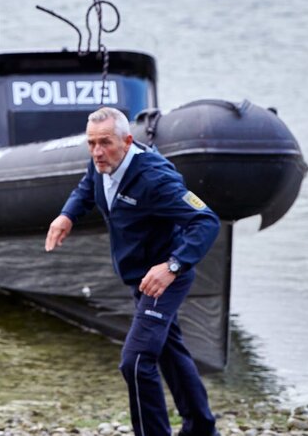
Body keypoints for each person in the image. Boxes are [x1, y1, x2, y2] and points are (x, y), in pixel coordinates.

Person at [45, 107, 220, 436]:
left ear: (126, 141)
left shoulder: (156, 179)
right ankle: (201, 427)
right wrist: (67, 215)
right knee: (170, 351)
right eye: (91, 143)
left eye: (105, 143)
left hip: (165, 278)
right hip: (138, 278)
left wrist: (172, 266)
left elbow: (206, 221)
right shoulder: (101, 162)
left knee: (136, 361)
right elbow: (87, 185)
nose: (97, 151)